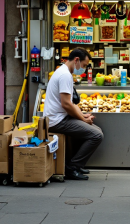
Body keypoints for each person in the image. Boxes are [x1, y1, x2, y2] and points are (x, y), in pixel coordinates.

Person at [44, 47, 104, 180]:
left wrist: (83, 116)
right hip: (57, 121)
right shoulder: (65, 75)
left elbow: (71, 104)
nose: (83, 69)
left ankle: (75, 164)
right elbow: (66, 104)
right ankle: (72, 168)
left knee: (95, 129)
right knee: (96, 135)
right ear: (76, 60)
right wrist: (83, 119)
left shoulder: (63, 72)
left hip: (60, 118)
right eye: (84, 65)